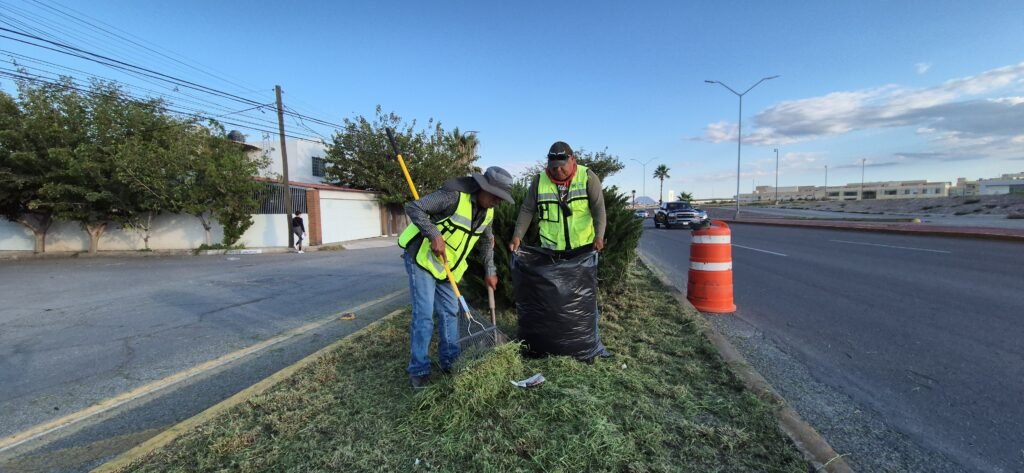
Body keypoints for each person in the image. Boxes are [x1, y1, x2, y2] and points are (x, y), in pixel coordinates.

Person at [400, 166, 514, 389]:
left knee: (449, 313)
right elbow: (414, 207)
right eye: (496, 196)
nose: (498, 202)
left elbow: (486, 243)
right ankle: (419, 369)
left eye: (501, 199)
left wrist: (490, 270)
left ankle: (450, 362)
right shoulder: (452, 195)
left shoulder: (488, 212)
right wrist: (433, 234)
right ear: (483, 188)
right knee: (424, 315)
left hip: (450, 268)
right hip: (423, 260)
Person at [510, 141, 610, 358]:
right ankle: (550, 341)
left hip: (581, 250)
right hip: (551, 249)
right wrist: (518, 236)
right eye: (553, 167)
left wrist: (599, 236)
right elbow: (527, 209)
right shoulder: (539, 180)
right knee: (552, 299)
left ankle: (587, 345)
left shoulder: (587, 177)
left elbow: (599, 209)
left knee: (584, 299)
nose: (558, 171)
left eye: (562, 166)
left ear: (572, 160)